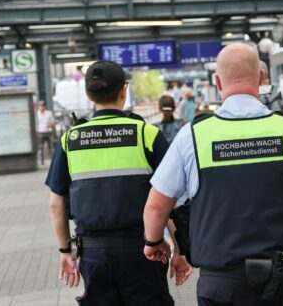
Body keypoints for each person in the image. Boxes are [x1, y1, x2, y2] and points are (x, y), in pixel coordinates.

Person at [142, 43, 283, 306]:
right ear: (262, 78)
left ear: (217, 82)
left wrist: (153, 241)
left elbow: (156, 206)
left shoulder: (193, 136)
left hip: (220, 287)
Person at [45, 61, 191, 305]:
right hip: (145, 252)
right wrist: (181, 249)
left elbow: (56, 204)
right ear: (123, 91)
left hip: (92, 255)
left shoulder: (70, 140)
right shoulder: (147, 134)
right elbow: (169, 199)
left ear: (88, 94)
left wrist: (64, 252)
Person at [36, 100, 55, 165]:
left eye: (43, 106)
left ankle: (53, 160)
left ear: (45, 106)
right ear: (38, 107)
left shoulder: (49, 113)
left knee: (50, 147)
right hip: (40, 132)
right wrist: (37, 132)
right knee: (41, 147)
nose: (42, 107)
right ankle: (42, 161)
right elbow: (35, 124)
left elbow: (53, 121)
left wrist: (51, 124)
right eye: (41, 106)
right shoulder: (37, 114)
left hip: (48, 132)